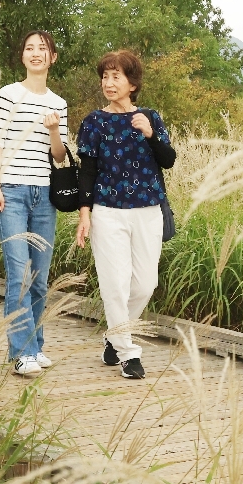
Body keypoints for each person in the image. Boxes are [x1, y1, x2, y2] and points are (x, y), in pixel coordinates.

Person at [75, 50, 176, 380]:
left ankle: (115, 336)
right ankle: (129, 354)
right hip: (107, 212)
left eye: (116, 76)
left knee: (145, 284)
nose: (108, 82)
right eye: (105, 76)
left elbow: (168, 160)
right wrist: (85, 214)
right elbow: (87, 171)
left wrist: (150, 134)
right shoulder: (94, 122)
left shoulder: (150, 117)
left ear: (132, 84)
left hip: (148, 211)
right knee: (115, 285)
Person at [0, 30, 70, 376]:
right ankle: (21, 352)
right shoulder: (9, 93)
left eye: (43, 49)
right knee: (19, 273)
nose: (36, 53)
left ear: (53, 57)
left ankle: (35, 345)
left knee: (38, 277)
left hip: (44, 195)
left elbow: (60, 155)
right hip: (12, 192)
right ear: (22, 56)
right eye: (29, 48)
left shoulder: (59, 103)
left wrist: (53, 130)